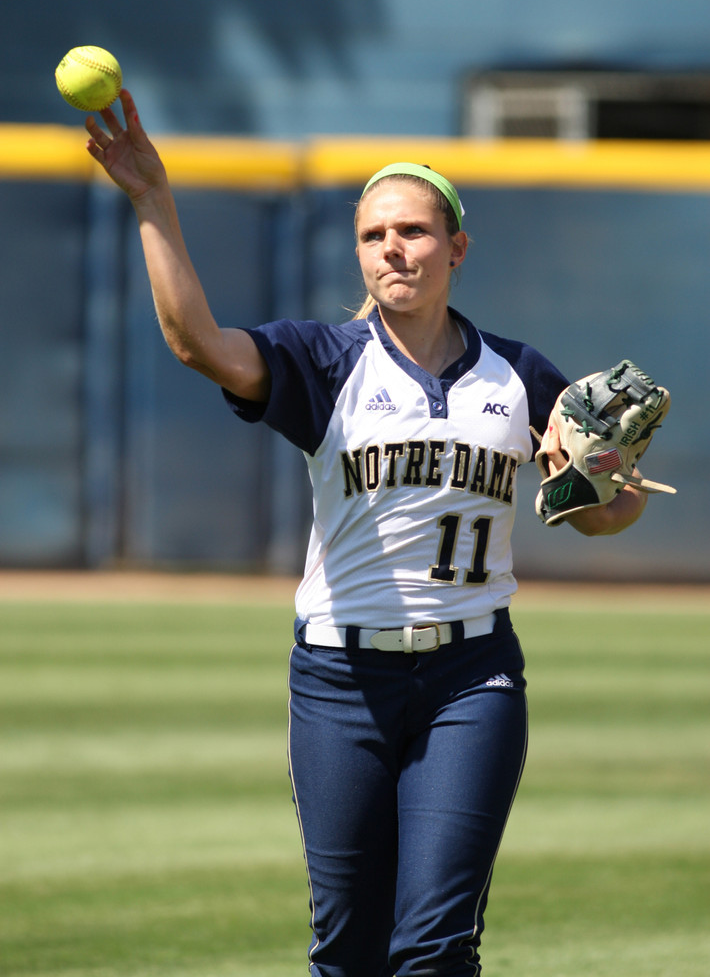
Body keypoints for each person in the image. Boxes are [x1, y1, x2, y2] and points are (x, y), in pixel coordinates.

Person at [85, 90, 647, 977]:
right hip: (340, 680)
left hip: (473, 678)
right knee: (346, 951)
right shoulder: (326, 362)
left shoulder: (520, 375)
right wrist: (154, 200)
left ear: (456, 248)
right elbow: (196, 343)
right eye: (374, 235)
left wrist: (607, 478)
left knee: (431, 948)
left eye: (415, 231)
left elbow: (603, 517)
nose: (393, 247)